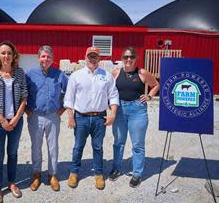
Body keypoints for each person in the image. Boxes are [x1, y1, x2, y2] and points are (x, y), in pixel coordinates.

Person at [64, 46, 119, 190]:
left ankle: (99, 174)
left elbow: (113, 96)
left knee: (98, 147)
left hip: (99, 118)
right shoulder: (76, 75)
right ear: (85, 58)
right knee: (78, 147)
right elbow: (69, 98)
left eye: (95, 56)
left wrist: (112, 114)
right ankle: (74, 172)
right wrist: (71, 117)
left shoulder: (107, 76)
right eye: (90, 56)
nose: (92, 59)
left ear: (99, 59)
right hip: (81, 118)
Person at [109, 46, 159, 188]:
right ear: (122, 59)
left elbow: (156, 85)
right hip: (119, 109)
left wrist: (149, 96)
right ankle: (116, 168)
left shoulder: (142, 72)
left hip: (137, 110)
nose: (128, 60)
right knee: (118, 142)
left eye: (131, 57)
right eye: (125, 57)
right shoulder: (116, 72)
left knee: (137, 144)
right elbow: (108, 89)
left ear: (136, 58)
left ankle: (137, 173)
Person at [0, 41, 27, 203]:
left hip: (16, 121)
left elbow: (24, 96)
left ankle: (11, 183)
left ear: (13, 55)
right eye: (3, 53)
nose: (6, 56)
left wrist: (16, 118)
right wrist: (2, 120)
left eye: (9, 53)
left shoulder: (20, 72)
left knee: (13, 153)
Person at [25, 45, 68, 191]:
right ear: (38, 58)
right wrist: (25, 109)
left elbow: (70, 91)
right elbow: (21, 92)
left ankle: (52, 175)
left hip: (53, 116)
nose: (46, 59)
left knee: (53, 147)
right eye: (43, 56)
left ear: (53, 59)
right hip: (35, 116)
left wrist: (63, 108)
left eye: (48, 57)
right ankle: (37, 174)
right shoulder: (30, 74)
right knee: (36, 147)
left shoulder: (59, 74)